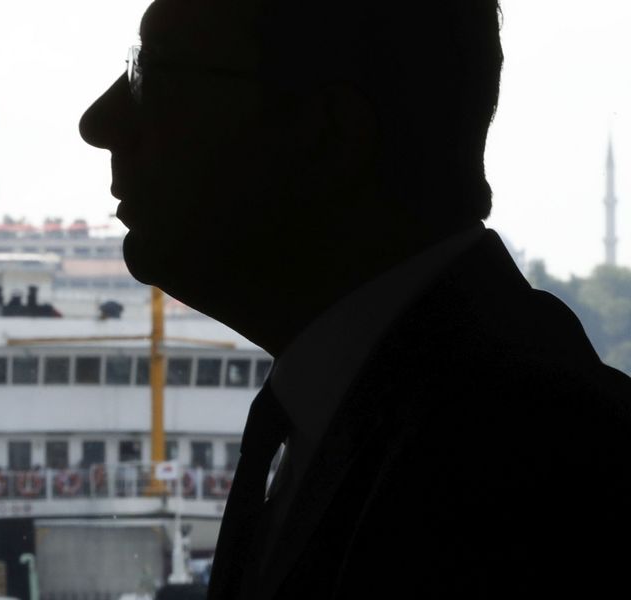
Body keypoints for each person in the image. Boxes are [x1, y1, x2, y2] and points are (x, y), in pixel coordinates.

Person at [78, 0, 631, 597]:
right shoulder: (496, 423)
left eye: (150, 75)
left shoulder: (534, 470)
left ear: (326, 135)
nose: (99, 120)